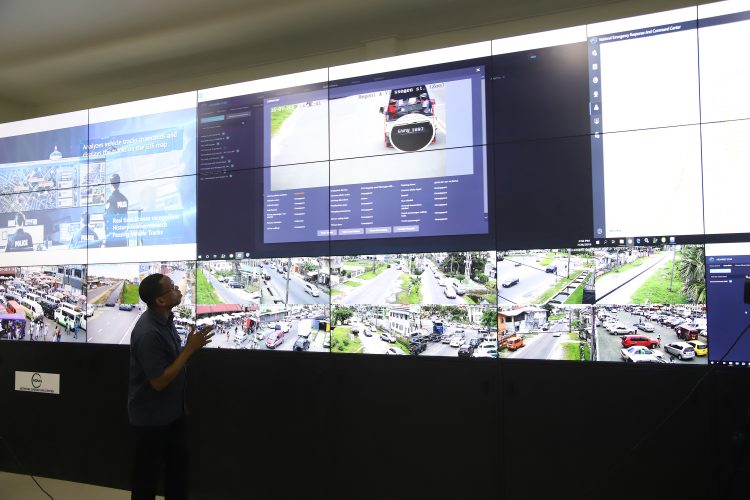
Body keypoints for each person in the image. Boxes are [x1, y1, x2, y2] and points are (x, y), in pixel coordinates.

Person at [128, 273, 213, 500]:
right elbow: (158, 382)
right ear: (160, 301)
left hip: (172, 413)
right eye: (172, 288)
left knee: (177, 474)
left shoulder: (166, 320)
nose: (179, 290)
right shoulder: (148, 333)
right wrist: (189, 349)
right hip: (151, 419)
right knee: (146, 481)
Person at [104, 173, 129, 247]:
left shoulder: (110, 200)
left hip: (112, 238)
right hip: (122, 237)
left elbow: (108, 218)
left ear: (110, 184)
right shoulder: (125, 199)